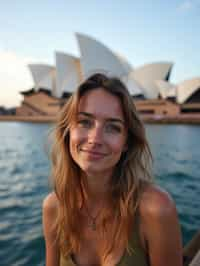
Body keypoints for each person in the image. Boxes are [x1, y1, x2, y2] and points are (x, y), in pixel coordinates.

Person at [42, 73, 183, 266]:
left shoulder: (156, 209)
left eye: (113, 127)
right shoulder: (53, 207)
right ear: (68, 131)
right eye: (85, 122)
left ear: (127, 142)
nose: (95, 138)